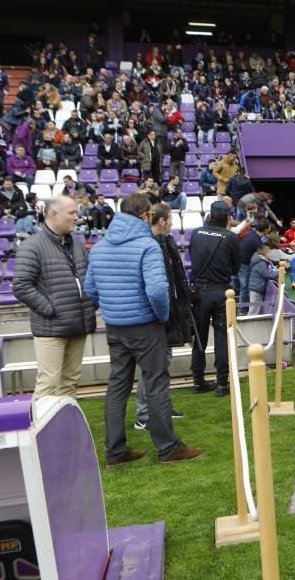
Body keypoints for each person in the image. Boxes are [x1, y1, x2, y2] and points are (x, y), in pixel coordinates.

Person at [85, 193, 202, 466]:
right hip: (145, 327)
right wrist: (161, 316)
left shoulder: (100, 247)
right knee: (156, 384)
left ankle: (115, 451)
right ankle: (168, 447)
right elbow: (158, 291)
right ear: (145, 216)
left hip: (115, 327)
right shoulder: (147, 246)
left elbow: (90, 291)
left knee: (117, 387)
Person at [13, 195, 97, 398]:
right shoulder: (32, 245)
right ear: (53, 214)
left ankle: (65, 428)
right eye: (72, 213)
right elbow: (21, 286)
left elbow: (87, 277)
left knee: (70, 381)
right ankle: (40, 429)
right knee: (48, 384)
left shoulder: (76, 244)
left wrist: (90, 303)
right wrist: (51, 310)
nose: (77, 217)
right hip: (51, 329)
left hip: (79, 325)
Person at [135, 202, 191, 429]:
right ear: (161, 221)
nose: (173, 224)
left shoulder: (166, 242)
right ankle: (144, 415)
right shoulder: (149, 246)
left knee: (162, 364)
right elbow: (156, 287)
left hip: (169, 313)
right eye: (170, 220)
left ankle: (162, 408)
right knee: (151, 367)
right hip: (156, 316)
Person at [188, 200, 241, 396]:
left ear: (210, 215)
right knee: (222, 337)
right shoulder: (230, 238)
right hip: (221, 293)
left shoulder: (196, 233)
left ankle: (197, 380)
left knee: (199, 338)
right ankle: (222, 384)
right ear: (227, 218)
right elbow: (236, 267)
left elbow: (192, 258)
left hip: (200, 292)